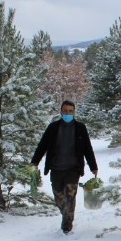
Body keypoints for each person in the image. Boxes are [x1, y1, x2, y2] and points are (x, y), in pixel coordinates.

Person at [30, 100, 99, 234]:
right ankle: (65, 214)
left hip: (73, 169)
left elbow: (87, 148)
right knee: (59, 197)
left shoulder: (80, 128)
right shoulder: (53, 127)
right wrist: (34, 162)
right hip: (56, 168)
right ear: (61, 112)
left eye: (70, 111)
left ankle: (67, 224)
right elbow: (42, 145)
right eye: (65, 111)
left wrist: (93, 166)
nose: (68, 113)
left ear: (74, 112)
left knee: (70, 197)